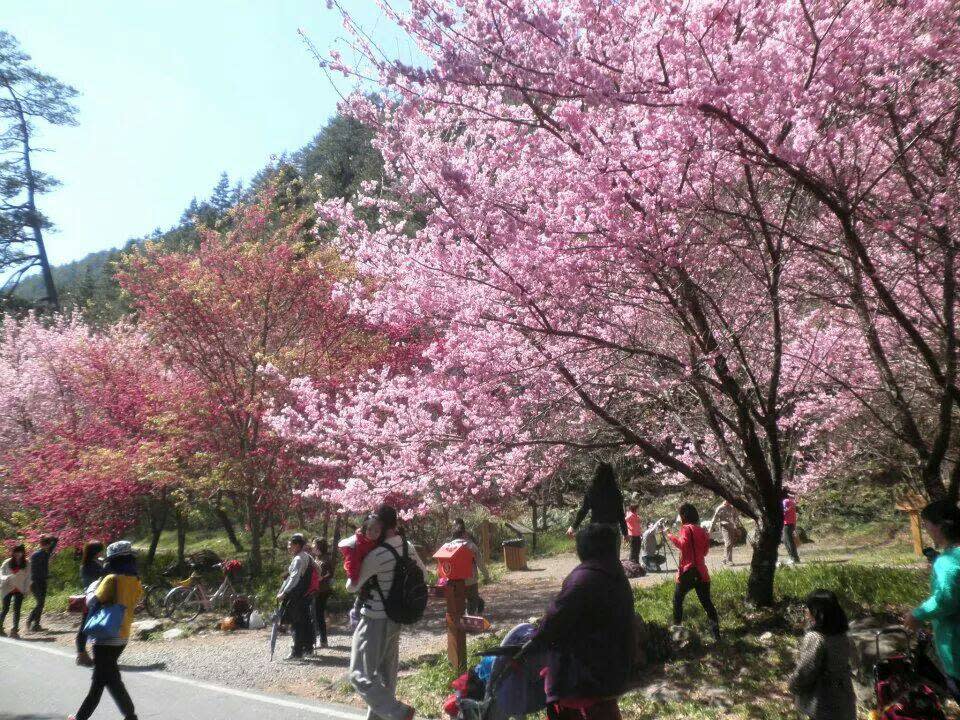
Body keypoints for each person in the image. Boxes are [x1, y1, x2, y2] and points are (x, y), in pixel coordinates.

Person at [519, 524, 634, 720]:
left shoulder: (583, 578)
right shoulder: (615, 574)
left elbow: (556, 618)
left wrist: (535, 640)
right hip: (614, 664)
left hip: (583, 671)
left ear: (584, 548)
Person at [348, 504, 425, 720]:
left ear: (380, 526)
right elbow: (424, 575)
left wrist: (354, 557)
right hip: (396, 618)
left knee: (359, 675)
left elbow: (352, 586)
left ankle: (398, 712)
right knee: (386, 677)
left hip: (374, 619)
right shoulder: (406, 546)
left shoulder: (378, 554)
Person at [68, 540, 143, 720]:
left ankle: (83, 718)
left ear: (112, 560)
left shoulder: (110, 579)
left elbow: (91, 602)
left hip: (105, 635)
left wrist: (92, 588)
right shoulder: (135, 581)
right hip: (123, 635)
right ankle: (128, 716)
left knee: (102, 681)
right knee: (108, 678)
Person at [905, 499, 960, 702]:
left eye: (926, 524)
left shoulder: (947, 563)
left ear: (939, 526)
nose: (925, 529)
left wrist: (917, 614)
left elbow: (945, 600)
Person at [787, 589, 856, 720]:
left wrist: (793, 685)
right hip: (844, 697)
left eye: (808, 608)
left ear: (817, 612)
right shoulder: (843, 635)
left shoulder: (816, 638)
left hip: (823, 701)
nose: (806, 611)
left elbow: (806, 670)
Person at [668, 504, 720, 641]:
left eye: (679, 514)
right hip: (702, 572)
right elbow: (705, 552)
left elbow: (683, 546)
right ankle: (716, 635)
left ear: (684, 515)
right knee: (707, 603)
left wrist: (670, 536)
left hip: (688, 572)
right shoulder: (702, 530)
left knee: (677, 601)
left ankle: (677, 633)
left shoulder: (685, 529)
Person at [277, 533, 317, 660]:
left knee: (296, 623)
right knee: (305, 621)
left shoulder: (298, 559)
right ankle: (308, 649)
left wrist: (284, 592)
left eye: (290, 545)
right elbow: (318, 571)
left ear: (297, 545)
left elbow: (294, 578)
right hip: (306, 595)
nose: (288, 547)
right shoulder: (307, 556)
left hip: (297, 596)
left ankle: (297, 652)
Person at [567, 462, 627, 544]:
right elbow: (620, 514)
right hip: (612, 530)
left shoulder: (591, 491)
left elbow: (584, 510)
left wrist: (573, 527)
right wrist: (625, 532)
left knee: (596, 556)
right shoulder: (615, 492)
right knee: (612, 556)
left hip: (596, 529)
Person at [449, 520, 489, 615]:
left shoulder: (449, 546)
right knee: (472, 599)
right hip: (470, 579)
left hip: (454, 580)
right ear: (464, 533)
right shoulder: (471, 546)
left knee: (459, 600)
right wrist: (486, 575)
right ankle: (470, 617)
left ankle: (459, 619)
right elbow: (480, 563)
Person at [76, 541, 105, 666]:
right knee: (84, 627)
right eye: (100, 550)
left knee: (88, 626)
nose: (102, 552)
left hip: (94, 597)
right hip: (92, 598)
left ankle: (84, 654)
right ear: (95, 551)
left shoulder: (91, 563)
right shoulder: (90, 566)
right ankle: (81, 654)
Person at [26, 534, 57, 632]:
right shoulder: (36, 555)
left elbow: (55, 540)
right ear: (43, 545)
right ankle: (30, 620)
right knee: (40, 603)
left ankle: (36, 625)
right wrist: (47, 576)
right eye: (47, 544)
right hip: (35, 582)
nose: (49, 546)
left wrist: (45, 536)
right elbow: (35, 571)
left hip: (42, 581)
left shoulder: (45, 553)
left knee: (41, 603)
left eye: (48, 545)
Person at [0, 544, 29, 639]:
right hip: (7, 588)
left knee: (17, 610)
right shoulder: (7, 562)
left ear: (23, 553)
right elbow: (1, 574)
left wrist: (26, 590)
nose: (18, 554)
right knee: (5, 608)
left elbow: (28, 578)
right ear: (13, 553)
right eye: (16, 552)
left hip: (19, 588)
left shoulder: (27, 563)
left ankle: (15, 630)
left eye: (20, 552)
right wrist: (6, 577)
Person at [312, 537, 334, 649]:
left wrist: (321, 578)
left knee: (318, 615)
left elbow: (330, 573)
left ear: (318, 547)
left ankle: (323, 640)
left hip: (322, 590)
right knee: (316, 614)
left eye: (314, 545)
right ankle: (319, 639)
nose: (312, 546)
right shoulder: (317, 558)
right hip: (316, 590)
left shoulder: (325, 559)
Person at [709, 500, 740, 565]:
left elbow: (736, 517)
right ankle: (729, 560)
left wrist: (736, 527)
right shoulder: (720, 508)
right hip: (724, 527)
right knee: (728, 542)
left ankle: (724, 560)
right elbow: (714, 519)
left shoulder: (733, 507)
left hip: (731, 527)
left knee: (730, 543)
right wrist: (710, 530)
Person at [781, 491, 801, 565]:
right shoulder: (793, 503)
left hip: (786, 524)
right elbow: (794, 516)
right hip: (791, 524)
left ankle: (794, 558)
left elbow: (783, 512)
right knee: (788, 541)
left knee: (788, 541)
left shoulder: (785, 501)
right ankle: (794, 558)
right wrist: (794, 525)